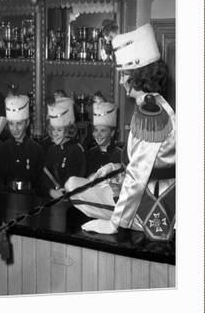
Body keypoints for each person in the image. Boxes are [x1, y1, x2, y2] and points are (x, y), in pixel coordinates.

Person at [71, 23, 176, 240]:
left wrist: (114, 223)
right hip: (154, 194)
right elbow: (145, 161)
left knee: (74, 189)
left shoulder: (150, 113)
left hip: (153, 206)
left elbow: (138, 176)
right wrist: (115, 168)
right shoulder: (154, 104)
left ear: (139, 75)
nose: (120, 81)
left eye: (124, 74)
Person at [40, 97, 86, 198]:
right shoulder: (51, 149)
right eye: (53, 130)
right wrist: (51, 192)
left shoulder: (76, 150)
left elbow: (77, 181)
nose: (55, 134)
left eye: (59, 130)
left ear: (68, 130)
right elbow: (44, 179)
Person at [0, 93, 44, 193]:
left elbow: (40, 182)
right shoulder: (3, 148)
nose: (15, 129)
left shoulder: (36, 149)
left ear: (27, 123)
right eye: (11, 124)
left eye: (19, 123)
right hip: (8, 195)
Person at [86, 101, 123, 176]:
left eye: (103, 131)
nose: (98, 135)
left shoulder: (120, 155)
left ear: (112, 133)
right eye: (96, 130)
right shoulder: (89, 154)